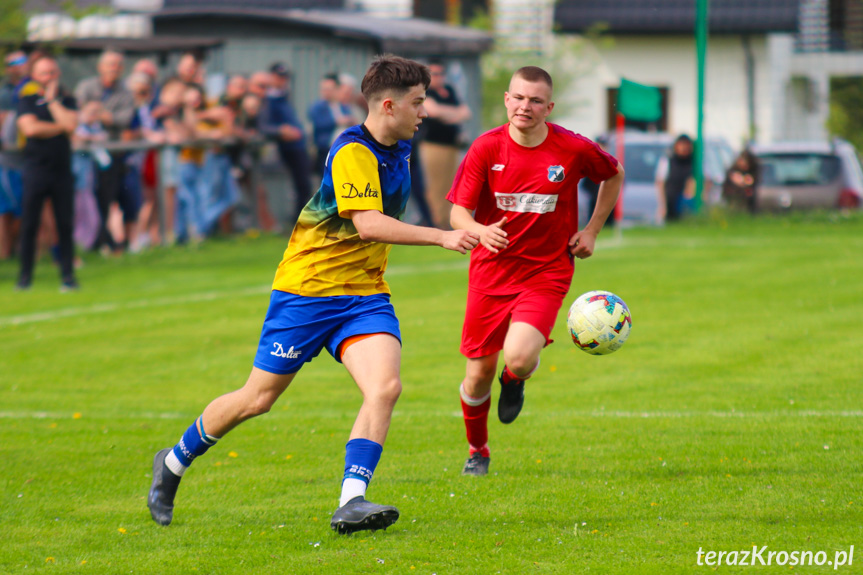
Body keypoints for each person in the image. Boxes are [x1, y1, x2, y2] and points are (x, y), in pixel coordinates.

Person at [147, 54, 480, 533]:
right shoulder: (352, 152)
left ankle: (352, 500)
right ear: (389, 105)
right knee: (258, 398)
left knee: (385, 387)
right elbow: (368, 225)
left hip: (363, 295)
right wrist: (442, 236)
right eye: (418, 102)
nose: (424, 111)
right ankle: (174, 462)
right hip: (307, 292)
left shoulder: (398, 145)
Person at [446, 66, 624, 476]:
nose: (525, 106)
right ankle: (478, 450)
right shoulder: (485, 148)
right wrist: (478, 230)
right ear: (507, 100)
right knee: (476, 377)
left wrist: (592, 230)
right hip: (491, 273)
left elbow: (613, 175)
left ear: (549, 107)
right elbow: (458, 213)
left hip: (546, 271)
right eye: (519, 98)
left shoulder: (573, 149)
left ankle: (515, 378)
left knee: (521, 358)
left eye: (535, 101)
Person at [15, 55, 79, 291]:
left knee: (65, 224)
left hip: (61, 171)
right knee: (30, 224)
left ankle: (68, 276)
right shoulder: (27, 99)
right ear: (34, 76)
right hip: (35, 170)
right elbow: (30, 128)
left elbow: (72, 126)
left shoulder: (67, 99)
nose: (49, 77)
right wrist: (60, 127)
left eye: (52, 72)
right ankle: (25, 278)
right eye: (44, 73)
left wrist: (52, 102)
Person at [74, 49, 137, 253]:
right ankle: (92, 241)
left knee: (107, 199)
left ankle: (106, 242)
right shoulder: (86, 86)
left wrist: (96, 113)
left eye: (118, 65)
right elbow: (77, 114)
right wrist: (95, 115)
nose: (114, 68)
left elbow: (122, 120)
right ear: (100, 67)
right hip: (85, 155)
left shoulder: (126, 93)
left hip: (110, 156)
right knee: (85, 199)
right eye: (110, 64)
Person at [259, 62, 312, 227]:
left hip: (298, 145)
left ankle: (301, 220)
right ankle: (298, 221)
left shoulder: (282, 96)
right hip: (286, 148)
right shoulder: (269, 99)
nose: (282, 80)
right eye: (279, 77)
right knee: (299, 185)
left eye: (284, 77)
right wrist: (282, 130)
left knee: (303, 185)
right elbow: (264, 126)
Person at [421, 60, 471, 229]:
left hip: (452, 145)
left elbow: (466, 113)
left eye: (441, 74)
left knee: (451, 185)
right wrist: (453, 113)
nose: (439, 77)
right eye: (435, 74)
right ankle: (435, 222)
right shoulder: (425, 92)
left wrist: (446, 114)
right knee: (435, 185)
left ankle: (447, 221)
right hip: (433, 145)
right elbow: (432, 111)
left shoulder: (449, 90)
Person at [0, 51, 28, 260]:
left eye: (21, 61)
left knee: (25, 208)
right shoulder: (4, 93)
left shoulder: (32, 88)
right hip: (8, 161)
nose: (17, 66)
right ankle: (6, 253)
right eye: (13, 63)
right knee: (8, 209)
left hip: (29, 159)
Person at [307, 73, 355, 176]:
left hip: (342, 148)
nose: (326, 92)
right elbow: (318, 124)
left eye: (329, 89)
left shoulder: (342, 106)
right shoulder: (317, 107)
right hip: (324, 148)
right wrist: (337, 121)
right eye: (324, 89)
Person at [655, 134, 695, 223]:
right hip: (671, 203)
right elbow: (660, 183)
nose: (684, 148)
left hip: (689, 203)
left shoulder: (695, 163)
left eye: (687, 145)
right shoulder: (667, 161)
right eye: (682, 145)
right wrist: (662, 205)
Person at [722, 147, 760, 213]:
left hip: (748, 200)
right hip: (734, 197)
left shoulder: (752, 171)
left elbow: (752, 182)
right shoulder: (733, 171)